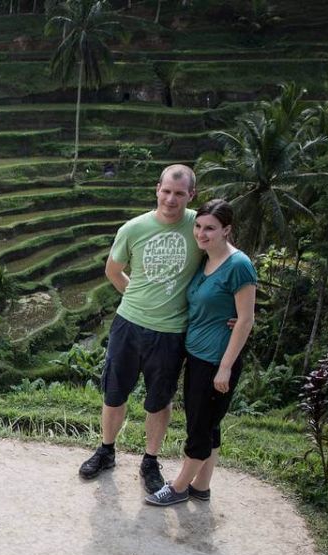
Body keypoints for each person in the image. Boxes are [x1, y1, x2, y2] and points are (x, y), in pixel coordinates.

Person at [78, 164, 202, 493]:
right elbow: (113, 270)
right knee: (114, 392)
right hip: (129, 324)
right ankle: (106, 450)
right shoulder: (133, 228)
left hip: (171, 332)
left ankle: (150, 460)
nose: (171, 199)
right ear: (157, 189)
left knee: (159, 399)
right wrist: (136, 297)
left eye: (179, 194)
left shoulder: (198, 227)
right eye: (166, 191)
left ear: (191, 195)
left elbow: (221, 262)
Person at [146, 199, 256, 506]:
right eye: (198, 226)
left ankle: (179, 487)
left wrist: (225, 367)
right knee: (209, 424)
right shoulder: (206, 260)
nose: (201, 233)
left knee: (199, 427)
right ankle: (202, 486)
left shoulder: (239, 265)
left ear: (226, 230)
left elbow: (246, 319)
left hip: (216, 361)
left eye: (210, 228)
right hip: (197, 356)